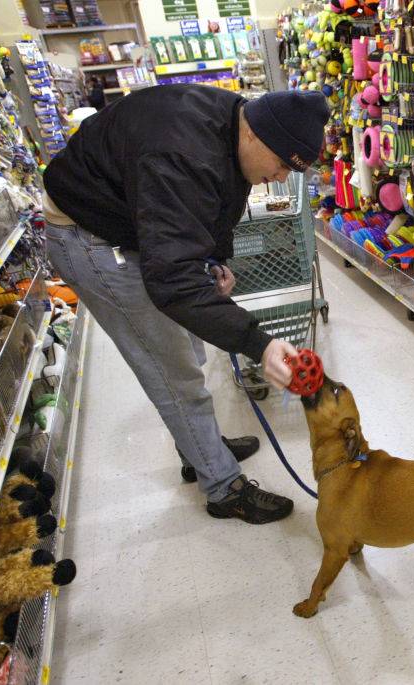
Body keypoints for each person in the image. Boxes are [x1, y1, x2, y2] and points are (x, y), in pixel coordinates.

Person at [41, 85, 330, 524]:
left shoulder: (233, 126)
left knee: (190, 350)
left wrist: (214, 258)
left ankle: (200, 446)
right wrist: (260, 343)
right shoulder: (182, 153)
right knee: (171, 366)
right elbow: (171, 282)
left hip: (131, 224)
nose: (279, 178)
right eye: (280, 165)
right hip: (90, 236)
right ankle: (222, 487)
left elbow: (213, 200)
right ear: (255, 135)